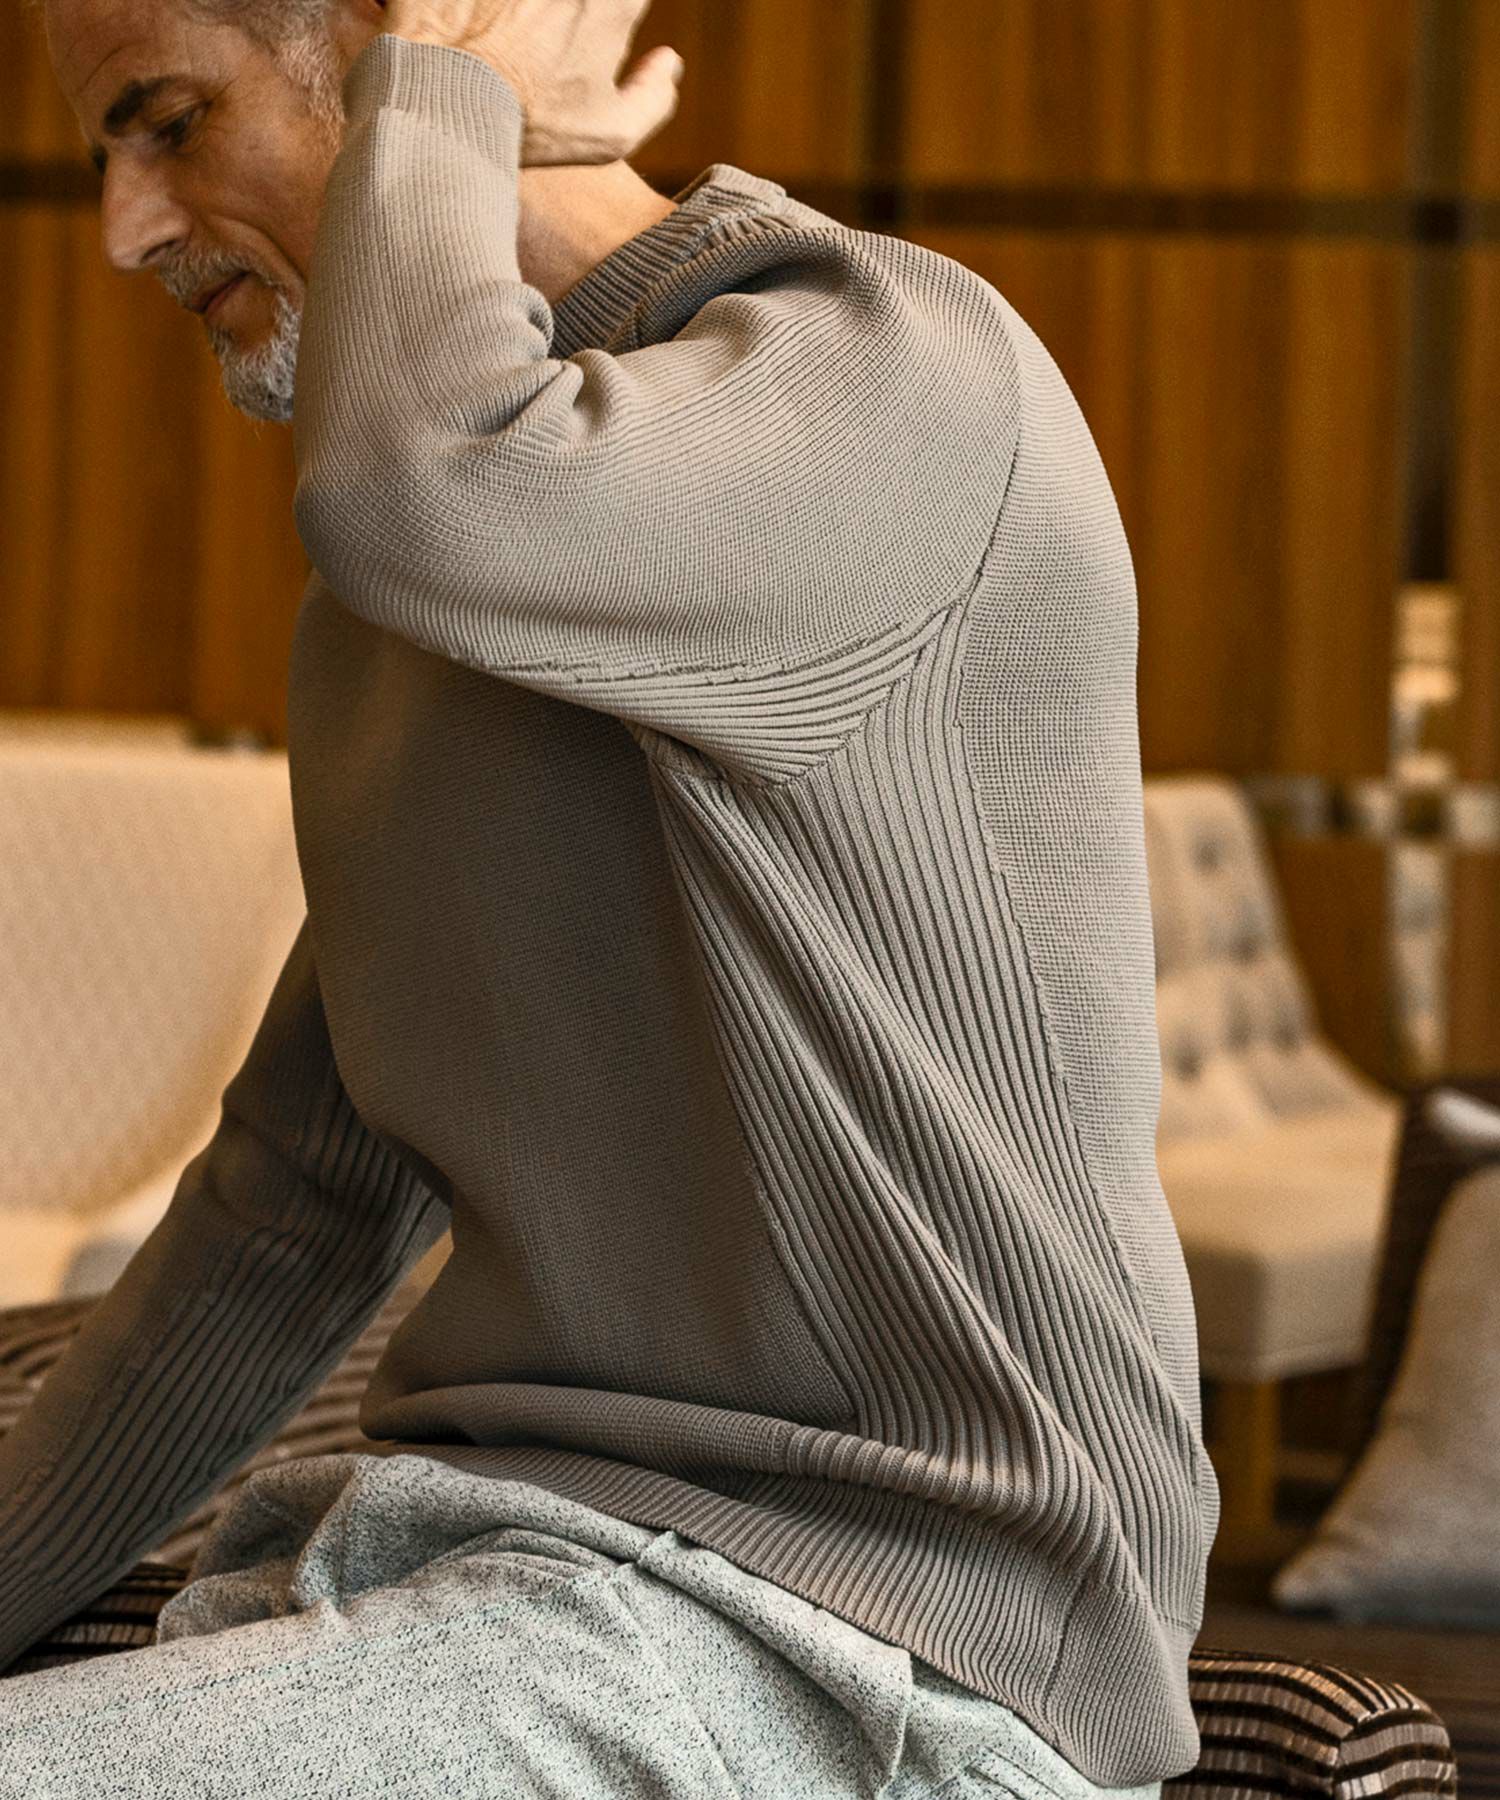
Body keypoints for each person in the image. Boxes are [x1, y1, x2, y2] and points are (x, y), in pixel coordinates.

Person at [0, 0, 1220, 1791]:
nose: (124, 228)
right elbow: (288, 1215)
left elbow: (427, 487)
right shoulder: (417, 601)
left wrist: (450, 79)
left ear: (409, 37)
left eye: (169, 122)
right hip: (510, 1590)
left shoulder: (887, 372)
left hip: (880, 1649)